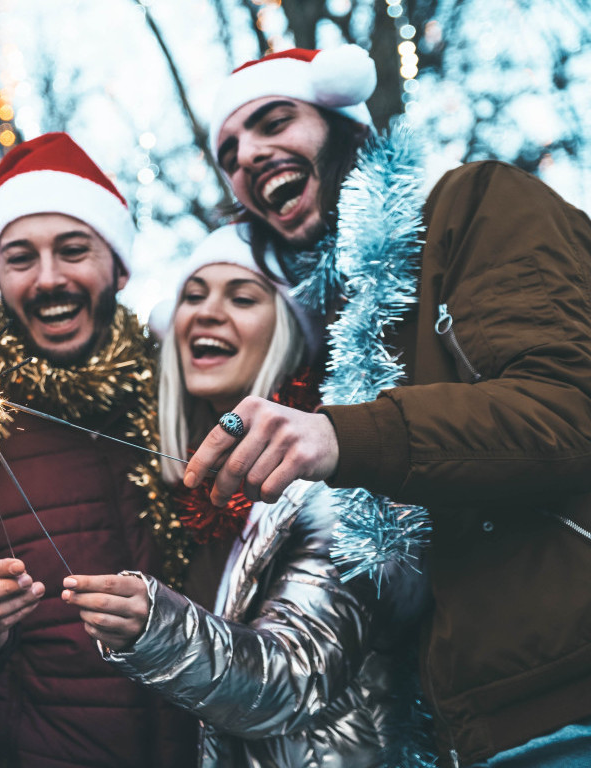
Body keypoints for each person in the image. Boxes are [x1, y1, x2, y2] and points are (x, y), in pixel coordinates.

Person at [184, 45, 591, 766]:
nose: (247, 156)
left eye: (274, 121)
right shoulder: (338, 340)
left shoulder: (475, 204)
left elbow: (566, 412)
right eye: (229, 154)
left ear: (345, 124)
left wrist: (343, 438)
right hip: (474, 732)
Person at [64, 224, 429, 767]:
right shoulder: (175, 498)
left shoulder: (337, 483)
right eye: (193, 296)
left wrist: (158, 628)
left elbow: (296, 674)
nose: (207, 313)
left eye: (242, 298)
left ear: (290, 331)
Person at [0, 132, 215, 767]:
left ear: (118, 268)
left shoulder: (190, 393)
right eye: (21, 258)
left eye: (73, 250)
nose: (49, 279)